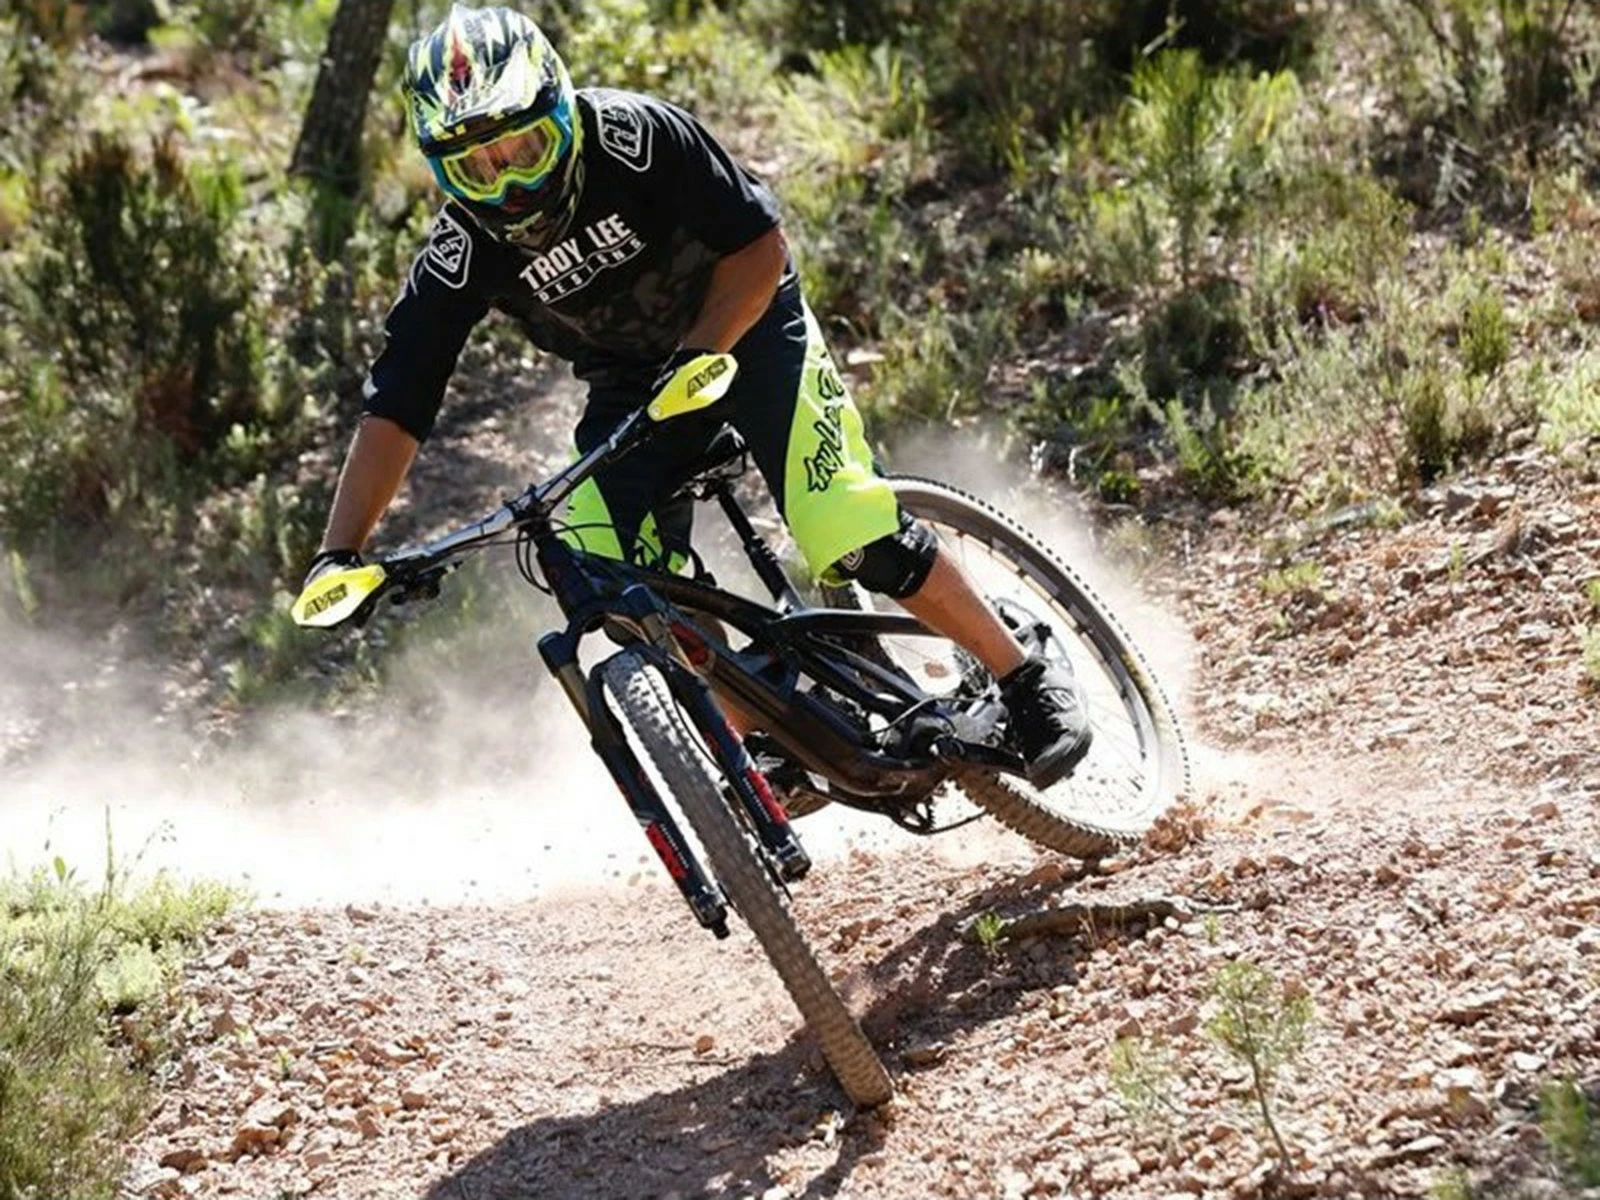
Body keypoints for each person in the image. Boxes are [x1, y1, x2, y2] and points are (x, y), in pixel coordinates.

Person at [294, 3, 1090, 788]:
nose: (508, 185)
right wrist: (341, 553)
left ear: (560, 113)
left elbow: (759, 246)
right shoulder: (461, 250)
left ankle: (1023, 676)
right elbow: (399, 401)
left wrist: (703, 351)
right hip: (632, 383)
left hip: (748, 325)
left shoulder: (637, 138)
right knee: (610, 572)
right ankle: (758, 736)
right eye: (476, 168)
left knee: (844, 525)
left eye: (525, 150)